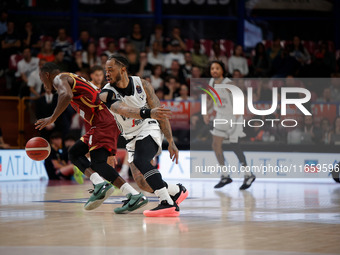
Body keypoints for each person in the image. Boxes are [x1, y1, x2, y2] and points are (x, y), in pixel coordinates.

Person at [35, 62, 169, 212]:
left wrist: (52, 118)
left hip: (103, 120)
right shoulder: (73, 79)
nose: (43, 84)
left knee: (98, 162)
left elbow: (66, 95)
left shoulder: (60, 78)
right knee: (74, 153)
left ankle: (102, 185)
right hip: (105, 121)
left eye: (41, 79)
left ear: (46, 75)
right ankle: (132, 195)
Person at [100, 55, 188, 217]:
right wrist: (149, 112)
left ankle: (167, 203)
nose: (107, 73)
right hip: (130, 136)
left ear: (123, 69)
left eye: (111, 69)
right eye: (106, 70)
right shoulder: (106, 93)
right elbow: (123, 110)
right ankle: (177, 190)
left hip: (149, 127)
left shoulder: (143, 85)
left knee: (141, 160)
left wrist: (170, 141)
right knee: (143, 183)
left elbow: (159, 114)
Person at [204, 61, 255, 190]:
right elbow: (211, 99)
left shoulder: (228, 83)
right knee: (216, 145)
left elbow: (241, 98)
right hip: (220, 117)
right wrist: (206, 112)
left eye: (217, 68)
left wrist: (238, 114)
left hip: (233, 117)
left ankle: (248, 174)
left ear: (222, 70)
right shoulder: (212, 82)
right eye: (212, 68)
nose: (214, 70)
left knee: (235, 146)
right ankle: (225, 175)